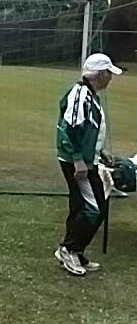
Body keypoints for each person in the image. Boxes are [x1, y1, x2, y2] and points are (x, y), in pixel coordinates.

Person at [55, 53, 122, 276]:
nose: (110, 78)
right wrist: (78, 160)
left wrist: (100, 151)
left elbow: (87, 130)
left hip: (86, 160)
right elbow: (70, 128)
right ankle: (69, 250)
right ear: (100, 74)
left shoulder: (90, 96)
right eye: (109, 73)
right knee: (94, 208)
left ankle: (75, 251)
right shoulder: (80, 94)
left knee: (81, 206)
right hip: (77, 162)